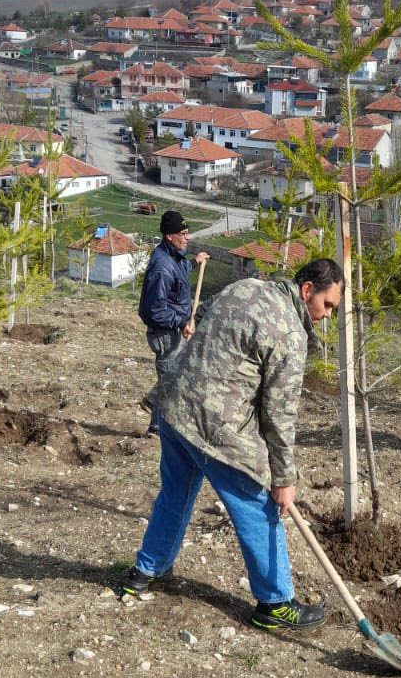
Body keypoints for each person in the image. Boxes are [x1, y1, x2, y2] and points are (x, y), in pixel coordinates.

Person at [120, 258, 344, 632]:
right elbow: (279, 415)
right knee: (259, 505)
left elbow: (203, 314)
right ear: (307, 291)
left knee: (175, 494)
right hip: (215, 425)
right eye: (327, 305)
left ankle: (145, 571)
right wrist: (283, 479)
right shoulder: (290, 332)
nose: (327, 316)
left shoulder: (245, 286)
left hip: (175, 406)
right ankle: (275, 603)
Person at [137, 211, 209, 436]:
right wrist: (181, 323)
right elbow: (155, 310)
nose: (187, 237)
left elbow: (177, 275)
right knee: (171, 378)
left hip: (174, 328)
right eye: (183, 234)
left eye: (188, 233)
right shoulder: (161, 268)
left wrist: (194, 263)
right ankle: (157, 424)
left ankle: (160, 423)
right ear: (169, 236)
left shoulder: (172, 257)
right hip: (165, 333)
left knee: (177, 374)